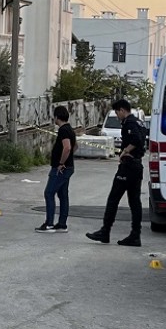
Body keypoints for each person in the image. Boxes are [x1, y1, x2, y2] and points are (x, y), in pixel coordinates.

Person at [86, 99, 146, 247]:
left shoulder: (130, 123)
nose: (118, 116)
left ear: (121, 110)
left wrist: (125, 151)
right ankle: (135, 235)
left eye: (117, 112)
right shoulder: (139, 122)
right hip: (137, 165)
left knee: (113, 198)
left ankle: (105, 231)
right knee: (134, 202)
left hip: (129, 166)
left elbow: (137, 140)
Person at [36, 105, 76, 234]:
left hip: (61, 168)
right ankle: (62, 224)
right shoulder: (70, 129)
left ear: (57, 117)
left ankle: (49, 223)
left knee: (49, 193)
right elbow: (76, 146)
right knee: (63, 195)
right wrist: (68, 159)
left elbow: (68, 147)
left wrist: (61, 162)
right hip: (69, 167)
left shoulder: (63, 130)